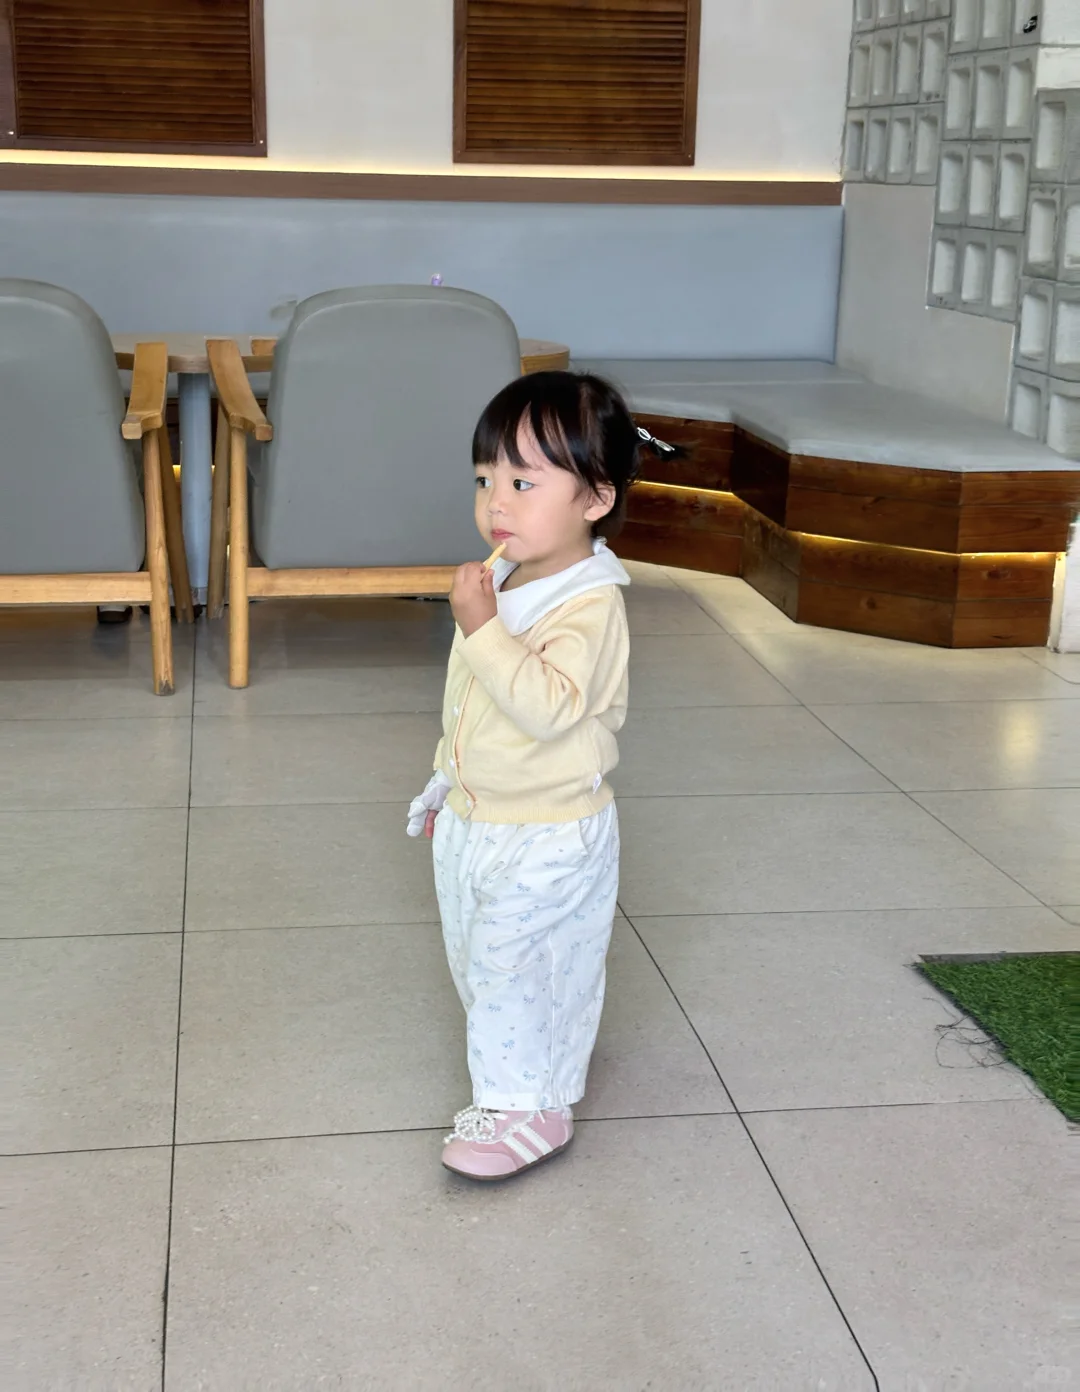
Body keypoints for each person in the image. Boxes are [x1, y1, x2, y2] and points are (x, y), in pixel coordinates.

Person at [407, 370, 656, 1182]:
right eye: (484, 480)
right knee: (482, 961)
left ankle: (529, 1108)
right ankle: (528, 1067)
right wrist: (448, 780)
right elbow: (472, 703)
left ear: (595, 499)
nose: (495, 504)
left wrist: (480, 627)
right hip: (483, 817)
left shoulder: (590, 606)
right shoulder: (509, 577)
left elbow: (547, 709)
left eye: (522, 483)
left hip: (549, 832)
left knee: (517, 961)